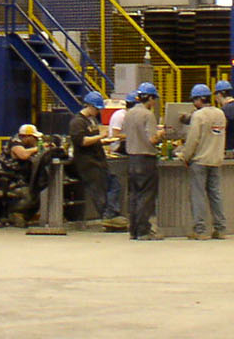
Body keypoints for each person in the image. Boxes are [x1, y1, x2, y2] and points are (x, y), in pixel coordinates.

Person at [178, 83, 227, 239]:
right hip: (216, 160)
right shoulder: (220, 114)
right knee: (216, 195)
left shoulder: (198, 116)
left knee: (198, 195)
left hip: (200, 161)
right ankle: (220, 229)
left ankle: (200, 231)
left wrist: (185, 156)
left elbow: (193, 140)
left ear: (199, 99)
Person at [68, 92, 122, 228]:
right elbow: (82, 141)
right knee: (98, 191)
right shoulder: (77, 122)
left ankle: (111, 214)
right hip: (88, 163)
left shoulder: (91, 120)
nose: (98, 112)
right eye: (97, 109)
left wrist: (103, 141)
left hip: (98, 161)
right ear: (89, 106)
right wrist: (100, 137)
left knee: (113, 183)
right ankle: (107, 217)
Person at [120, 81, 165, 240]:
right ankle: (144, 231)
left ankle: (133, 231)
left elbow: (124, 134)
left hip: (131, 159)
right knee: (146, 196)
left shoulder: (129, 113)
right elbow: (152, 139)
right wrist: (161, 134)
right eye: (154, 100)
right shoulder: (148, 115)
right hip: (146, 160)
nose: (154, 103)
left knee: (134, 196)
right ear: (150, 98)